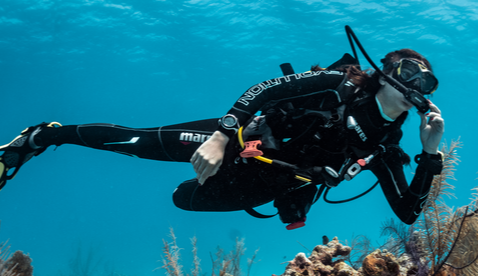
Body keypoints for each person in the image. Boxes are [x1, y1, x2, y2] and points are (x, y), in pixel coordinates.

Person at [0, 48, 444, 230]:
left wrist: (429, 155)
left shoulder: (386, 146)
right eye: (408, 73)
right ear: (385, 71)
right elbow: (264, 91)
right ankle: (44, 136)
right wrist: (219, 136)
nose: (415, 86)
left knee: (182, 199)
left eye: (426, 83)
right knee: (137, 142)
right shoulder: (337, 86)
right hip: (240, 140)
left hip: (269, 182)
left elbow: (408, 212)